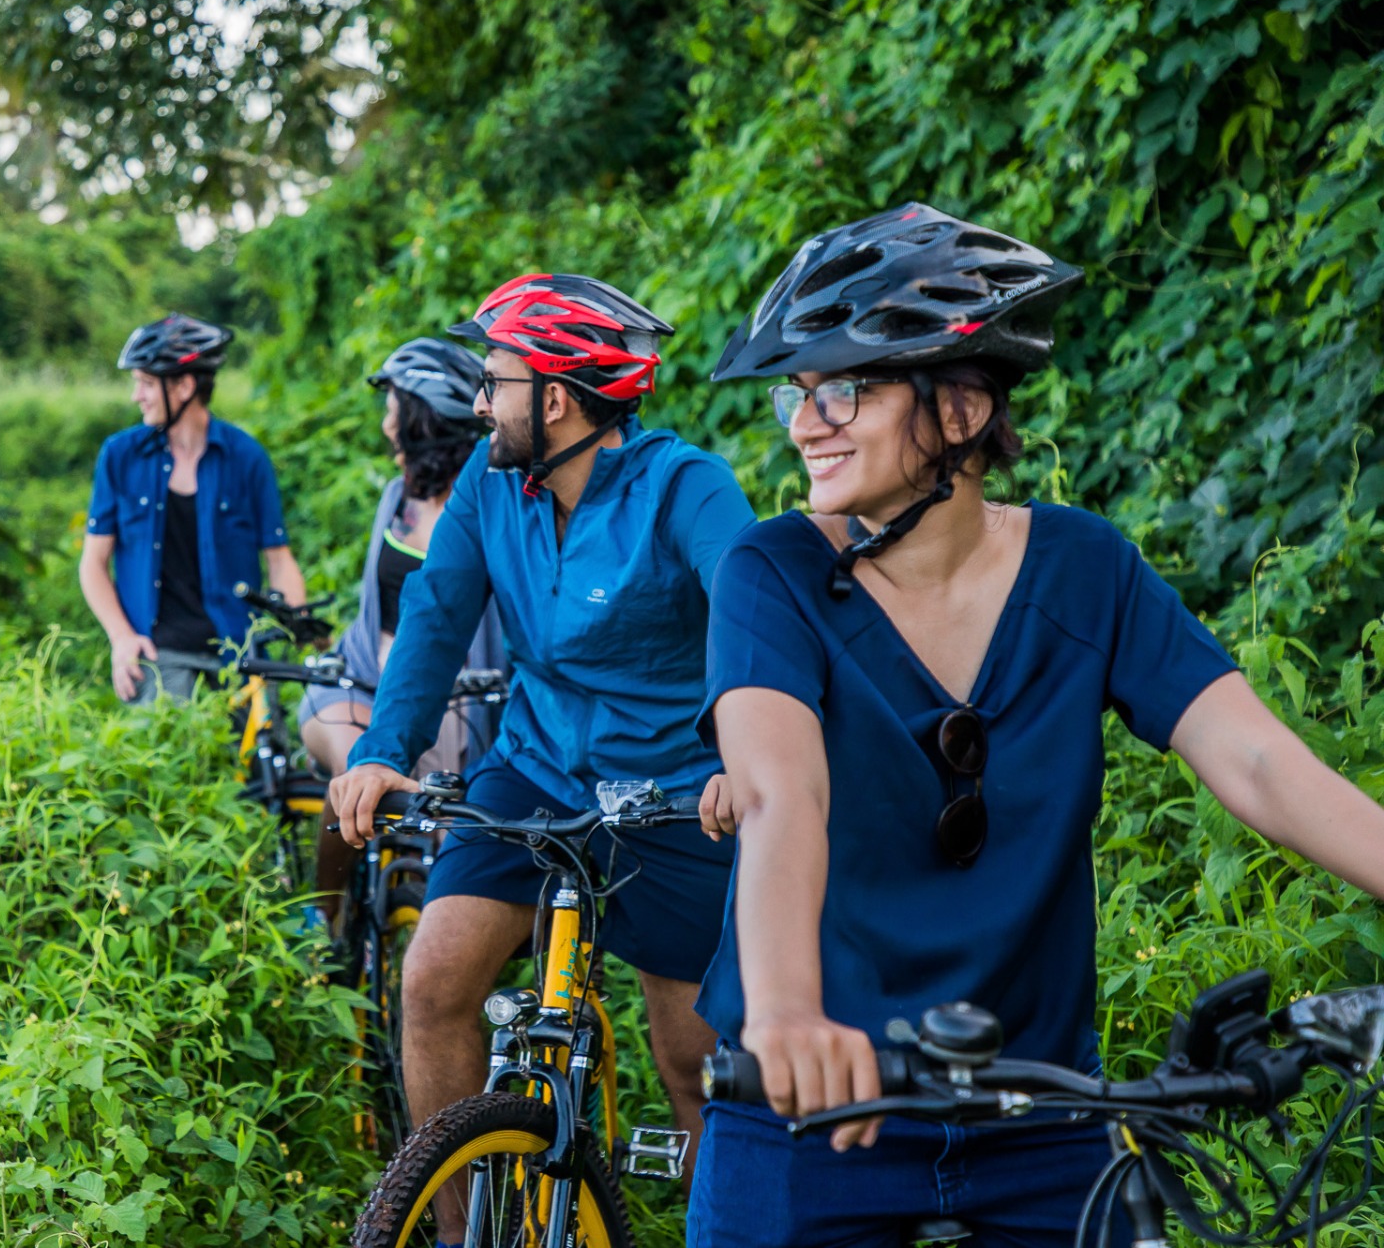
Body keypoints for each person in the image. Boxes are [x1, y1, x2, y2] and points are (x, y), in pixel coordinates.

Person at [689, 202, 1384, 1247]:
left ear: (961, 408)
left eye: (843, 387)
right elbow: (784, 789)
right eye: (799, 392)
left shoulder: (1083, 568)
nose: (804, 422)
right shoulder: (772, 573)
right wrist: (788, 1012)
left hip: (1039, 1106)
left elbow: (1254, 759)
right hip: (810, 1100)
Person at [329, 273, 757, 1237]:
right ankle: (451, 1226)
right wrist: (384, 749)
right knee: (433, 986)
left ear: (554, 398)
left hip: (676, 794)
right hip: (532, 772)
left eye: (495, 381)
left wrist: (743, 746)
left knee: (695, 1063)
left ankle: (723, 1222)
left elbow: (752, 612)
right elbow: (436, 616)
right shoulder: (490, 485)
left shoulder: (685, 487)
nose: (480, 402)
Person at [298, 338, 509, 924]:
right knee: (356, 782)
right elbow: (376, 611)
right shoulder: (398, 500)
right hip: (362, 684)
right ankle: (327, 920)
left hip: (456, 703)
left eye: (393, 407)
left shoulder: (493, 505)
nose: (387, 424)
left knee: (447, 835)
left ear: (421, 419)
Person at [80, 313, 307, 703]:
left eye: (147, 385)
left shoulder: (246, 458)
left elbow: (279, 559)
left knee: (268, 758)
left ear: (184, 386)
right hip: (159, 651)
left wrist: (303, 627)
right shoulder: (120, 456)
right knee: (175, 756)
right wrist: (121, 637)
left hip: (238, 651)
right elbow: (93, 563)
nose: (138, 397)